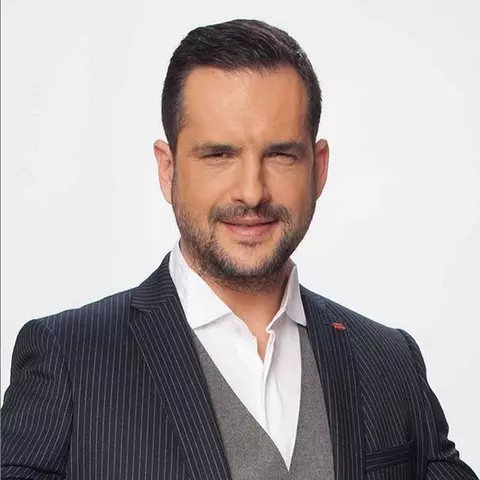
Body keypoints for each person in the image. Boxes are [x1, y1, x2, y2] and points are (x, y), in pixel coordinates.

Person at [1, 18, 477, 480]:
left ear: (318, 169)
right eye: (219, 155)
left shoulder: (389, 361)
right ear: (168, 170)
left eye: (280, 154)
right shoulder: (69, 359)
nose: (251, 192)